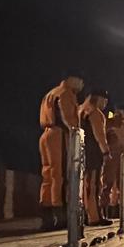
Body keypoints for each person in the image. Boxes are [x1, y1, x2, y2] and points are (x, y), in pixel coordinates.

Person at [37, 71, 84, 230]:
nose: (81, 85)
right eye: (80, 81)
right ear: (72, 79)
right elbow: (66, 116)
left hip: (46, 134)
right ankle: (61, 217)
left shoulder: (50, 93)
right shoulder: (66, 93)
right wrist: (74, 132)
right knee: (60, 175)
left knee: (48, 174)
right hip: (59, 136)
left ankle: (47, 217)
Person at [79, 89, 112, 226]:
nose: (105, 104)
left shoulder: (81, 111)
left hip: (83, 151)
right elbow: (100, 136)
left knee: (86, 185)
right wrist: (106, 152)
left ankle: (88, 215)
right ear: (98, 99)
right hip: (94, 153)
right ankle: (95, 217)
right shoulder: (96, 114)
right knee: (94, 185)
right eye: (104, 100)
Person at [103, 102, 124, 216]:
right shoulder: (110, 123)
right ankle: (105, 210)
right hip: (113, 157)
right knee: (108, 183)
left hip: (123, 158)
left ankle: (123, 211)